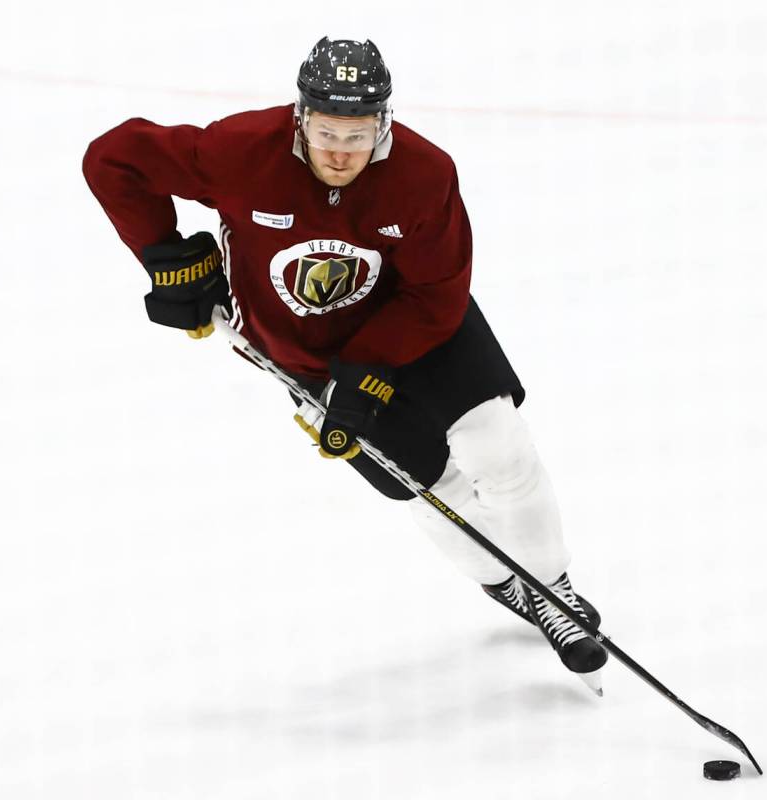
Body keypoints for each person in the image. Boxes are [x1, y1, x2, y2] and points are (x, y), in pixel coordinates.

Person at [82, 36, 608, 692]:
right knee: (426, 485)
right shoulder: (239, 152)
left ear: (383, 124)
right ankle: (508, 582)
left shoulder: (424, 174)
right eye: (327, 131)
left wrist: (371, 362)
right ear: (299, 117)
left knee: (499, 446)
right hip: (308, 359)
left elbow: (438, 291)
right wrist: (164, 256)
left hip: (424, 327)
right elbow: (114, 159)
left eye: (357, 136)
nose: (340, 152)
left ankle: (553, 591)